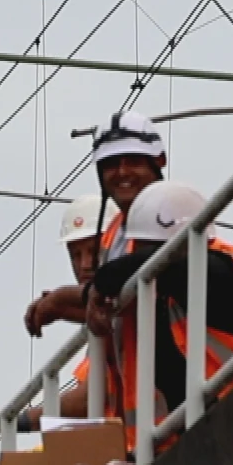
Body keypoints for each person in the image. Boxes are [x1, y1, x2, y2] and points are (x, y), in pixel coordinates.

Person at [89, 182, 233, 455]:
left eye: (145, 247)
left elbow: (158, 266)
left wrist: (100, 282)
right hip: (187, 440)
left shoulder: (222, 271)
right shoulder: (160, 293)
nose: (138, 254)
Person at [0, 194, 122, 440]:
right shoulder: (106, 321)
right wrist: (62, 305)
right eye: (75, 255)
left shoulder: (133, 307)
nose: (85, 264)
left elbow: (89, 400)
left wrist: (16, 420)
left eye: (93, 251)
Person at [23, 111, 168, 339]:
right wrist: (65, 303)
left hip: (203, 367)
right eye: (110, 164)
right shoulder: (115, 235)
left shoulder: (174, 209)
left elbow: (157, 275)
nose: (122, 171)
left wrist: (62, 300)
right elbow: (115, 303)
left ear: (159, 161)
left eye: (133, 160)